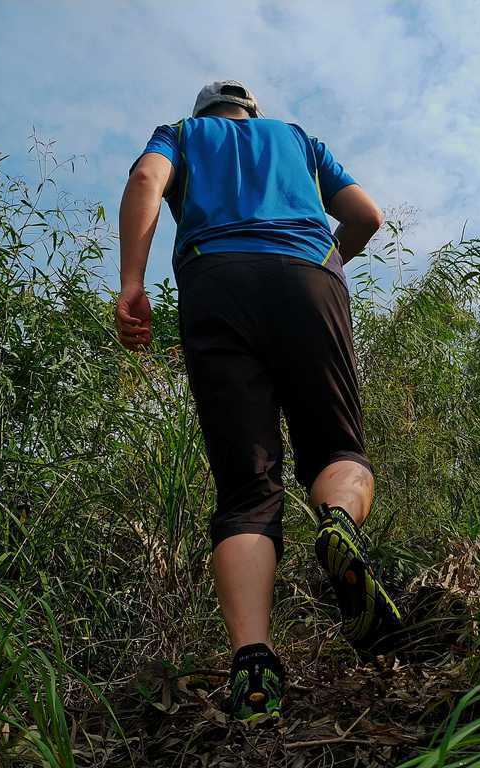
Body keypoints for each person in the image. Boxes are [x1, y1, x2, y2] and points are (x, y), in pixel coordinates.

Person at [116, 80, 402, 722]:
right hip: (308, 278)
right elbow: (367, 217)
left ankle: (253, 664)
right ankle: (338, 527)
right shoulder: (298, 140)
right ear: (252, 112)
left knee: (247, 489)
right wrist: (329, 263)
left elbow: (144, 182)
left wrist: (133, 284)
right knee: (336, 448)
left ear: (205, 113)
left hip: (215, 285)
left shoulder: (183, 137)